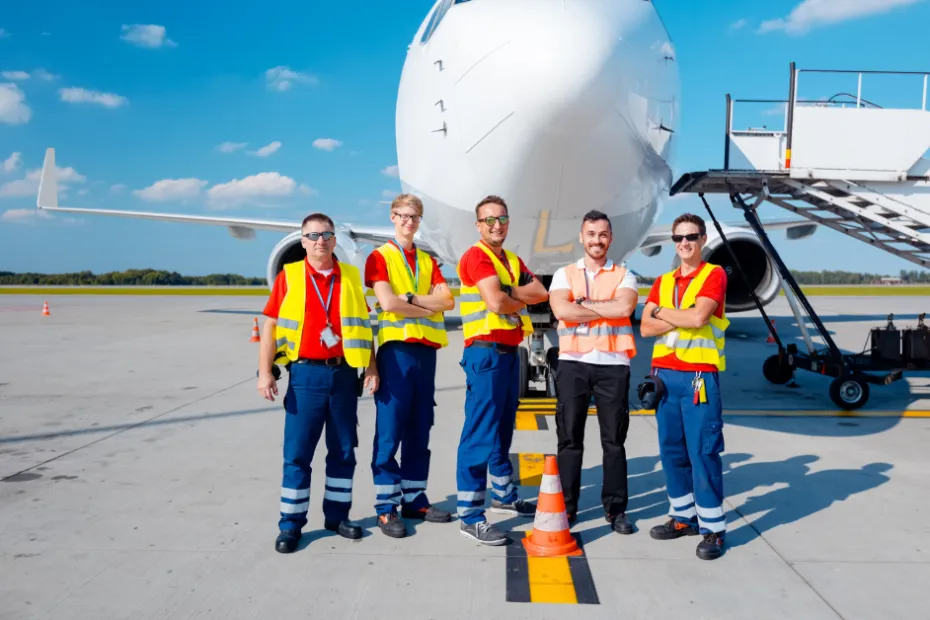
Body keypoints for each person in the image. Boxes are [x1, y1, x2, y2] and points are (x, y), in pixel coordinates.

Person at [257, 212, 380, 554]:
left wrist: (370, 367)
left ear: (335, 240)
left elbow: (363, 327)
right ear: (302, 241)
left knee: (342, 451)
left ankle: (337, 517)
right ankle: (291, 525)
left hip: (343, 374)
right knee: (297, 454)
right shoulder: (290, 275)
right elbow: (269, 325)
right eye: (312, 236)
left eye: (326, 235)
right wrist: (265, 372)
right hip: (306, 375)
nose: (319, 241)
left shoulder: (351, 278)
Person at [455, 195, 550, 545]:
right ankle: (469, 515)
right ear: (479, 225)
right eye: (490, 219)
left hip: (510, 353)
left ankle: (504, 495)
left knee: (502, 429)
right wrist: (511, 298)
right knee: (479, 432)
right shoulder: (477, 256)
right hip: (485, 353)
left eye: (503, 219)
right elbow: (494, 302)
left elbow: (540, 292)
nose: (497, 225)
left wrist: (509, 291)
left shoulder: (510, 260)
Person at [639, 212, 729, 561]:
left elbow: (698, 318)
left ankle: (713, 529)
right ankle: (682, 518)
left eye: (691, 237)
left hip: (697, 378)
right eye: (678, 238)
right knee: (671, 451)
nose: (684, 243)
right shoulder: (662, 281)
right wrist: (668, 315)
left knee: (702, 452)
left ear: (703, 239)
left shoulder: (714, 274)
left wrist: (661, 313)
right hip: (664, 378)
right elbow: (645, 329)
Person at [365, 193, 455, 538]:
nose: (409, 221)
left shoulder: (428, 261)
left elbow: (447, 300)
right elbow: (386, 302)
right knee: (390, 431)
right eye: (402, 215)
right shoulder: (380, 257)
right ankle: (386, 508)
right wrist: (428, 308)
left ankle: (414, 499)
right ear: (392, 217)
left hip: (426, 354)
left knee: (420, 428)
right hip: (396, 353)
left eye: (414, 216)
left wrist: (413, 301)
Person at [548, 209, 639, 534]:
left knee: (614, 441)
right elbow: (561, 309)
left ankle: (616, 511)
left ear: (610, 238)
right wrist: (603, 308)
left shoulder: (625, 275)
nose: (597, 240)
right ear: (582, 237)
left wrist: (582, 306)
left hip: (614, 364)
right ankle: (567, 508)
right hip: (573, 362)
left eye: (602, 234)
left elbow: (625, 308)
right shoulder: (564, 274)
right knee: (569, 439)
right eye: (591, 234)